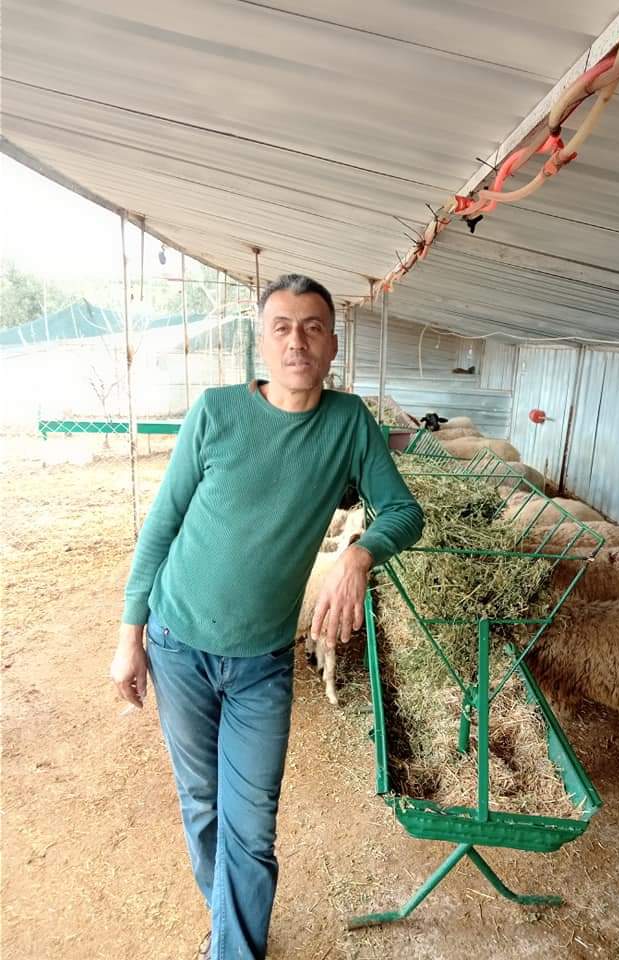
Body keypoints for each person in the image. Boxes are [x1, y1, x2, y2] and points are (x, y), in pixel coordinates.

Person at [110, 274, 424, 960]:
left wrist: (358, 554)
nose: (296, 341)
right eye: (281, 327)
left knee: (251, 827)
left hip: (261, 664)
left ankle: (231, 945)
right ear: (261, 341)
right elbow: (161, 527)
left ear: (332, 344)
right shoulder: (215, 412)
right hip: (178, 643)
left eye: (312, 327)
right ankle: (231, 929)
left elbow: (405, 511)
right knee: (202, 804)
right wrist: (129, 637)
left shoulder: (349, 423)